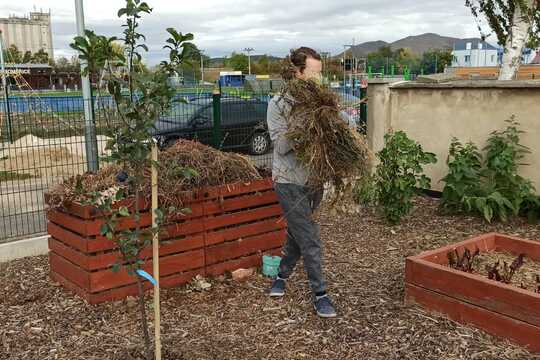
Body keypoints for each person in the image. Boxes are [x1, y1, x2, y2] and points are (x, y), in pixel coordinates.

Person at [266, 47, 337, 318]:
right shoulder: (278, 104)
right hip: (288, 181)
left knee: (297, 232)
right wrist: (305, 125)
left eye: (321, 74)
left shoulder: (319, 102)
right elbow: (281, 145)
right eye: (314, 74)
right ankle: (321, 294)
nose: (319, 80)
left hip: (314, 178)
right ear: (297, 72)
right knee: (309, 237)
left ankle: (281, 277)